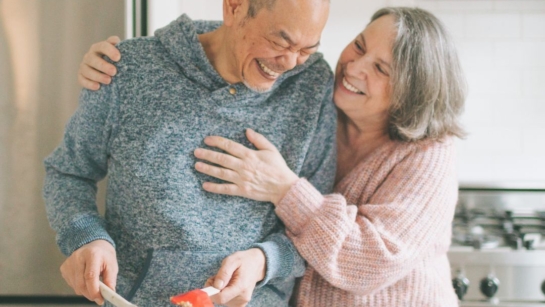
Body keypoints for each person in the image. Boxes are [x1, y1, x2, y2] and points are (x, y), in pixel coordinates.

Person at [80, 6, 466, 307]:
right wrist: (128, 62)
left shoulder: (429, 157)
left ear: (410, 94)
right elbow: (244, 33)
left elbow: (366, 260)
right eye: (360, 46)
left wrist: (285, 191)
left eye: (380, 69)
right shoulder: (324, 107)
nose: (354, 67)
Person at [43, 0, 335, 307]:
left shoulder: (312, 85)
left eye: (306, 50)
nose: (289, 62)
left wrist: (265, 260)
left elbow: (316, 223)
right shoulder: (129, 68)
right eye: (280, 42)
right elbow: (69, 173)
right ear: (234, 8)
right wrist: (88, 237)